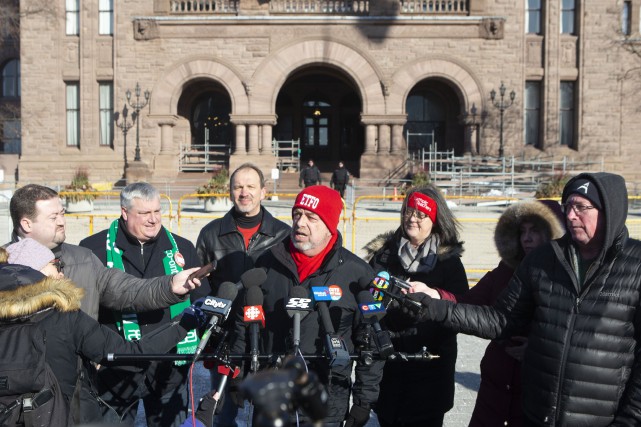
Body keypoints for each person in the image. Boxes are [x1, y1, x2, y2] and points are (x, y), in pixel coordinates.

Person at [405, 172, 641, 426]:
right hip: (535, 415)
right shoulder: (542, 261)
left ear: (610, 210)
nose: (571, 215)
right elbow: (499, 319)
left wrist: (630, 419)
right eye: (568, 207)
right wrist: (434, 305)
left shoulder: (636, 266)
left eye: (581, 207)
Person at [7, 184, 203, 425]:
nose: (62, 222)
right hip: (13, 401)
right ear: (27, 224)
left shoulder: (83, 259)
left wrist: (170, 285)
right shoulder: (5, 268)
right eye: (53, 216)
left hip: (77, 393)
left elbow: (127, 289)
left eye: (63, 214)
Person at [232, 185, 383, 427]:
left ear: (330, 226)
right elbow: (246, 322)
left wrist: (364, 401)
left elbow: (370, 345)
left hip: (327, 400)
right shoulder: (267, 264)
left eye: (311, 217)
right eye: (297, 215)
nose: (300, 223)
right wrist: (238, 375)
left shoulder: (356, 273)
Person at [78, 182, 206, 426]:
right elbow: (84, 308)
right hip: (115, 371)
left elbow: (200, 303)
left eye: (157, 211)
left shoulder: (182, 248)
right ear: (124, 212)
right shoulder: (92, 249)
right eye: (144, 213)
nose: (153, 219)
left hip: (169, 369)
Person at [362, 185, 468, 427]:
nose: (412, 218)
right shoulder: (384, 255)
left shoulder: (448, 262)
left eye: (420, 214)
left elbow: (462, 310)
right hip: (389, 366)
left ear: (434, 219)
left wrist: (427, 305)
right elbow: (368, 296)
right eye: (408, 211)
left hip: (430, 370)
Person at [195, 163, 290, 426]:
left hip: (269, 339)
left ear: (263, 191)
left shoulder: (284, 235)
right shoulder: (210, 234)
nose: (244, 192)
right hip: (226, 341)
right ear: (230, 191)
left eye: (250, 186)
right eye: (238, 186)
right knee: (223, 416)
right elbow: (199, 287)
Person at [455, 201, 564, 427]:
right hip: (494, 388)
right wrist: (433, 296)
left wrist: (537, 348)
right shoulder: (505, 270)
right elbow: (464, 304)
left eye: (534, 230)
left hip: (534, 393)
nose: (527, 238)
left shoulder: (565, 278)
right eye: (522, 231)